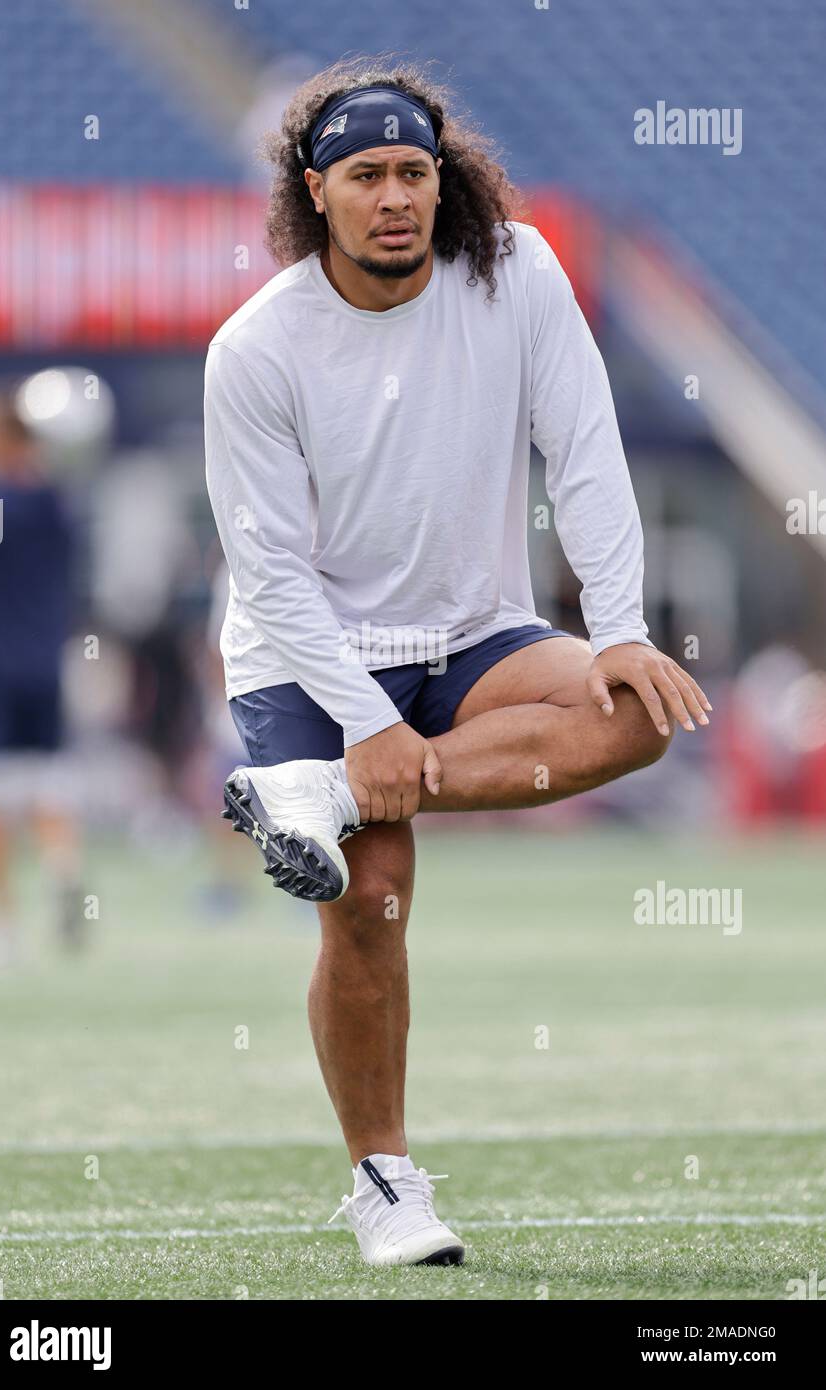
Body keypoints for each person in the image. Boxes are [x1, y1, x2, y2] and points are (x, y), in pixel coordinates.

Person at [204, 58, 711, 1268]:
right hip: (304, 654)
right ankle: (383, 1181)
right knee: (370, 902)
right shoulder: (255, 349)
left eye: (415, 172)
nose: (395, 197)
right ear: (312, 190)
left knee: (631, 706)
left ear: (446, 183)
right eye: (367, 174)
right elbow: (270, 572)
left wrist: (623, 621)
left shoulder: (518, 269)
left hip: (469, 631)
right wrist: (357, 724)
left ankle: (313, 800)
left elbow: (583, 451)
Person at [0, 384, 80, 966]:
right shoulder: (56, 501)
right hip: (46, 664)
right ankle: (62, 873)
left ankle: (2, 925)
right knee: (48, 785)